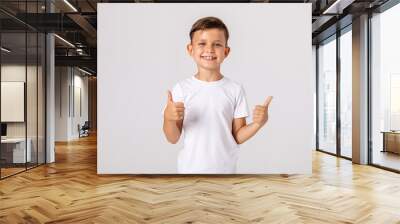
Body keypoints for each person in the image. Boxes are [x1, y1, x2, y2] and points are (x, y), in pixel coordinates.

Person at [163, 16, 272, 174]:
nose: (209, 50)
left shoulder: (235, 89)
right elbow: (172, 138)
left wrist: (258, 124)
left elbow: (237, 136)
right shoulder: (181, 88)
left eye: (217, 44)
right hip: (189, 171)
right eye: (202, 43)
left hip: (225, 172)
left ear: (226, 51)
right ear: (190, 49)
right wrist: (168, 118)